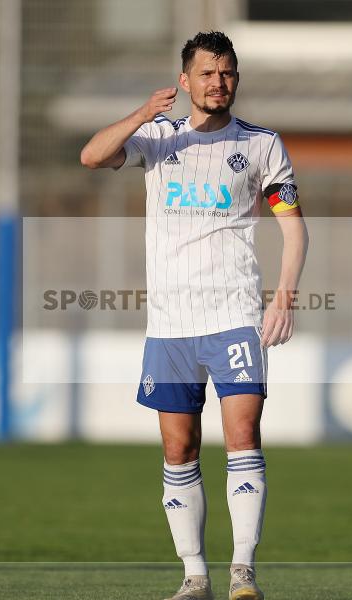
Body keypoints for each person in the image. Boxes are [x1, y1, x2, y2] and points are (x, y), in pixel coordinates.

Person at [80, 30, 307, 600]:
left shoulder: (261, 144)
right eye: (206, 73)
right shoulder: (156, 138)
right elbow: (92, 155)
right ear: (185, 81)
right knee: (179, 448)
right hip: (170, 325)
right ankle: (194, 576)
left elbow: (293, 225)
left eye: (227, 72)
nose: (218, 82)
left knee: (243, 433)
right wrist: (140, 113)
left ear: (236, 78)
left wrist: (284, 295)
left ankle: (243, 573)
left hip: (234, 314)